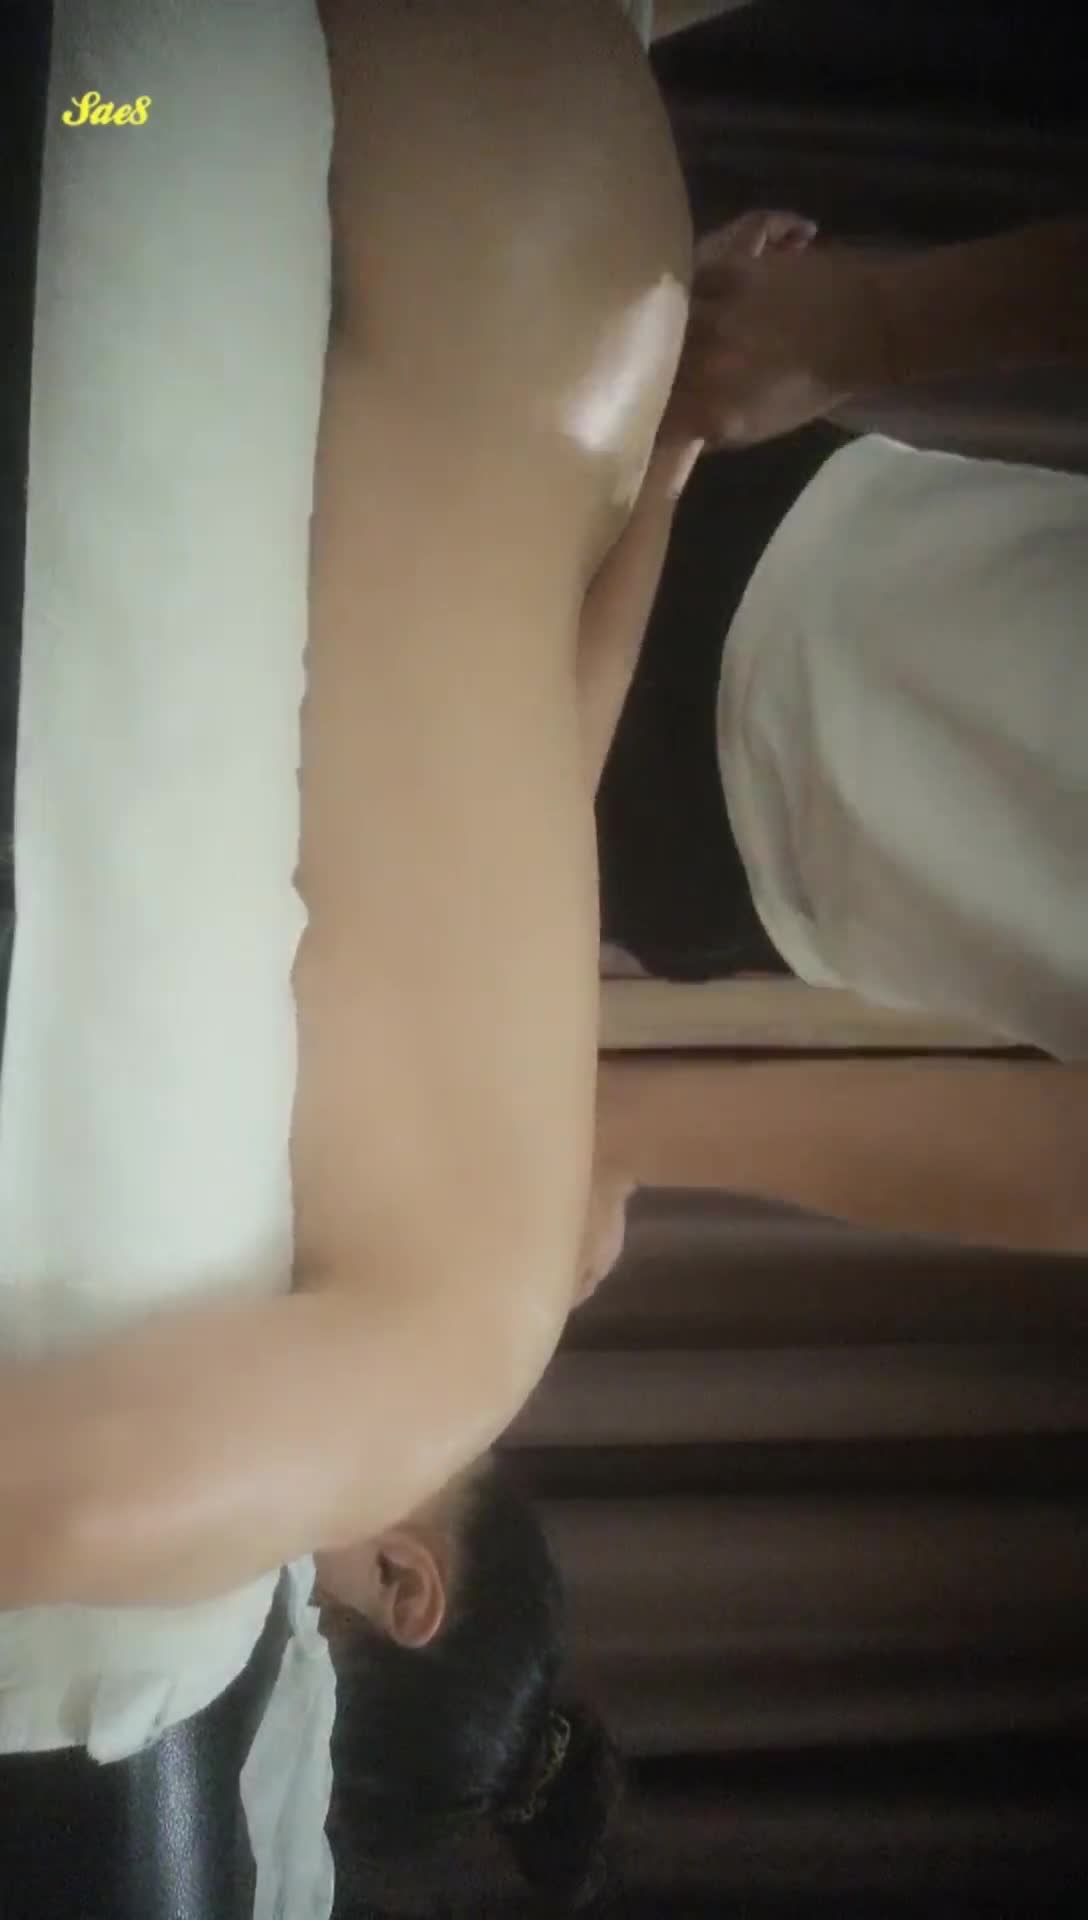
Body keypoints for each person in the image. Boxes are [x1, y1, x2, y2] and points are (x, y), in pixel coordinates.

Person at [0, 0, 702, 1907]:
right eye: (307, 1603)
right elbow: (77, 1496)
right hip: (473, 234)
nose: (281, 1572)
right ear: (406, 1580)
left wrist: (669, 471)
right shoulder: (442, 1365)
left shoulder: (531, 1258)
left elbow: (550, 746)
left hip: (577, 296)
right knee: (119, 76)